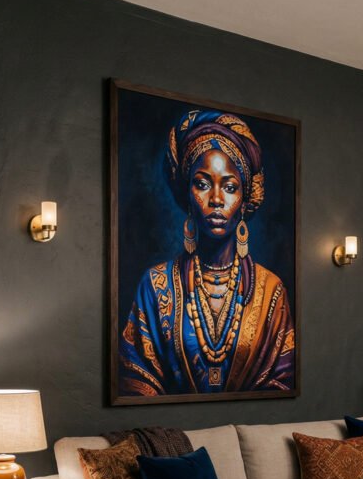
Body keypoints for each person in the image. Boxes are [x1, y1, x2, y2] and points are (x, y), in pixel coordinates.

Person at [119, 109, 295, 396]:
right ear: (187, 193)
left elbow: (282, 380)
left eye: (229, 187)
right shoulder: (154, 285)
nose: (215, 199)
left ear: (244, 198)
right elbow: (137, 380)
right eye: (202, 184)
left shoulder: (271, 291)